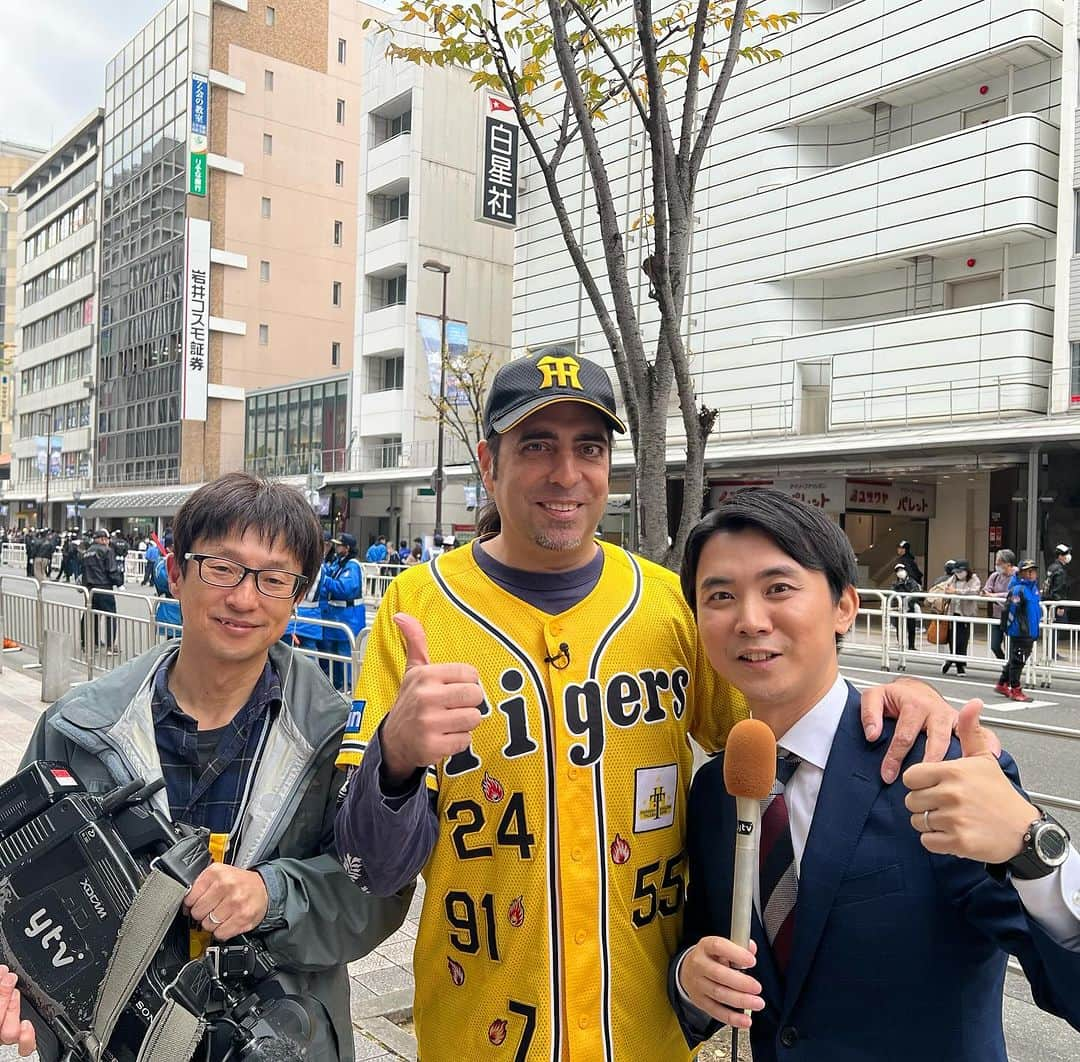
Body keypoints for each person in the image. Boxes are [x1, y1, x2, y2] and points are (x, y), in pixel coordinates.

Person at [333, 351, 961, 1062]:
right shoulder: (417, 607)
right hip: (479, 1032)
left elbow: (786, 734)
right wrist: (396, 758)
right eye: (536, 445)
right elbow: (367, 869)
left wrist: (892, 697)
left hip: (647, 1035)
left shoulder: (668, 604)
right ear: (489, 461)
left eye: (589, 448)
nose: (566, 473)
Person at [0, 473, 411, 1062]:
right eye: (221, 567)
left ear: (297, 598)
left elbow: (377, 893)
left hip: (279, 1040)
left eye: (274, 579)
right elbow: (11, 868)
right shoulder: (79, 728)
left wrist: (270, 895)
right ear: (175, 572)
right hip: (110, 1037)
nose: (245, 598)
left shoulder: (339, 740)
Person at [670, 489, 1080, 1061]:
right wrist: (690, 981)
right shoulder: (720, 790)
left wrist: (1032, 844)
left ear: (845, 606)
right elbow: (711, 953)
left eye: (779, 588)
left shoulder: (938, 767)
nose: (749, 620)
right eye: (720, 595)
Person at [320, 532, 364, 691]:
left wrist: (325, 580)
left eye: (339, 545)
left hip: (349, 615)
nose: (336, 547)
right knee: (335, 653)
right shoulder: (339, 563)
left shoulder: (352, 565)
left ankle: (349, 686)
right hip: (338, 615)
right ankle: (338, 685)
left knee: (345, 653)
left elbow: (345, 588)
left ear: (347, 548)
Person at [995, 559, 1042, 702]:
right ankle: (1015, 689)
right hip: (1021, 632)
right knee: (1018, 661)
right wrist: (1008, 628)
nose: (1031, 574)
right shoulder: (1018, 590)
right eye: (1028, 571)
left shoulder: (1033, 589)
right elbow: (1009, 611)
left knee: (1016, 659)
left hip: (1030, 631)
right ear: (1021, 573)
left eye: (1033, 570)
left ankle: (1002, 683)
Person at [81, 528, 124, 656]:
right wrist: (119, 583)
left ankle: (89, 643)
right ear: (103, 539)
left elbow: (82, 571)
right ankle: (110, 646)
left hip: (90, 588)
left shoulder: (87, 552)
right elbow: (111, 570)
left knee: (91, 616)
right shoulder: (107, 551)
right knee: (111, 616)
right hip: (104, 587)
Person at [941, 559, 980, 675]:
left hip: (966, 613)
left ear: (966, 571)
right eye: (956, 571)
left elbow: (974, 591)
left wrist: (956, 591)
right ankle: (957, 663)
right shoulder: (953, 578)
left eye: (960, 571)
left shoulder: (974, 579)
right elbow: (946, 588)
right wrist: (949, 591)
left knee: (962, 640)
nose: (958, 574)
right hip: (953, 612)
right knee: (953, 639)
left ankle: (955, 662)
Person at [983, 548, 1017, 660]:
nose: (997, 565)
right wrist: (986, 593)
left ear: (1008, 564)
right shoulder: (995, 576)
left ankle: (1010, 667)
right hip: (997, 614)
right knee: (994, 645)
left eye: (999, 563)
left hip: (1012, 616)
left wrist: (994, 596)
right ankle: (1004, 663)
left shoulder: (1017, 576)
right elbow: (987, 588)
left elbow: (1013, 593)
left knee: (1010, 646)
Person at [1044, 543, 1071, 659]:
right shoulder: (1059, 570)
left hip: (1049, 602)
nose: (1068, 556)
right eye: (1066, 554)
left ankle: (1051, 652)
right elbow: (1058, 589)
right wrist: (1060, 606)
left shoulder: (1052, 567)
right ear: (1060, 556)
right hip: (1055, 603)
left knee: (1052, 627)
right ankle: (1051, 653)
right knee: (1056, 627)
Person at [890, 561, 920, 650]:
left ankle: (911, 645)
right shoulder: (895, 584)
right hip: (898, 608)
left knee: (911, 627)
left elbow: (916, 594)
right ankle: (900, 644)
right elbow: (893, 595)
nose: (900, 572)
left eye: (901, 570)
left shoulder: (912, 582)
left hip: (909, 608)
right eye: (898, 571)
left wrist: (909, 601)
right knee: (900, 628)